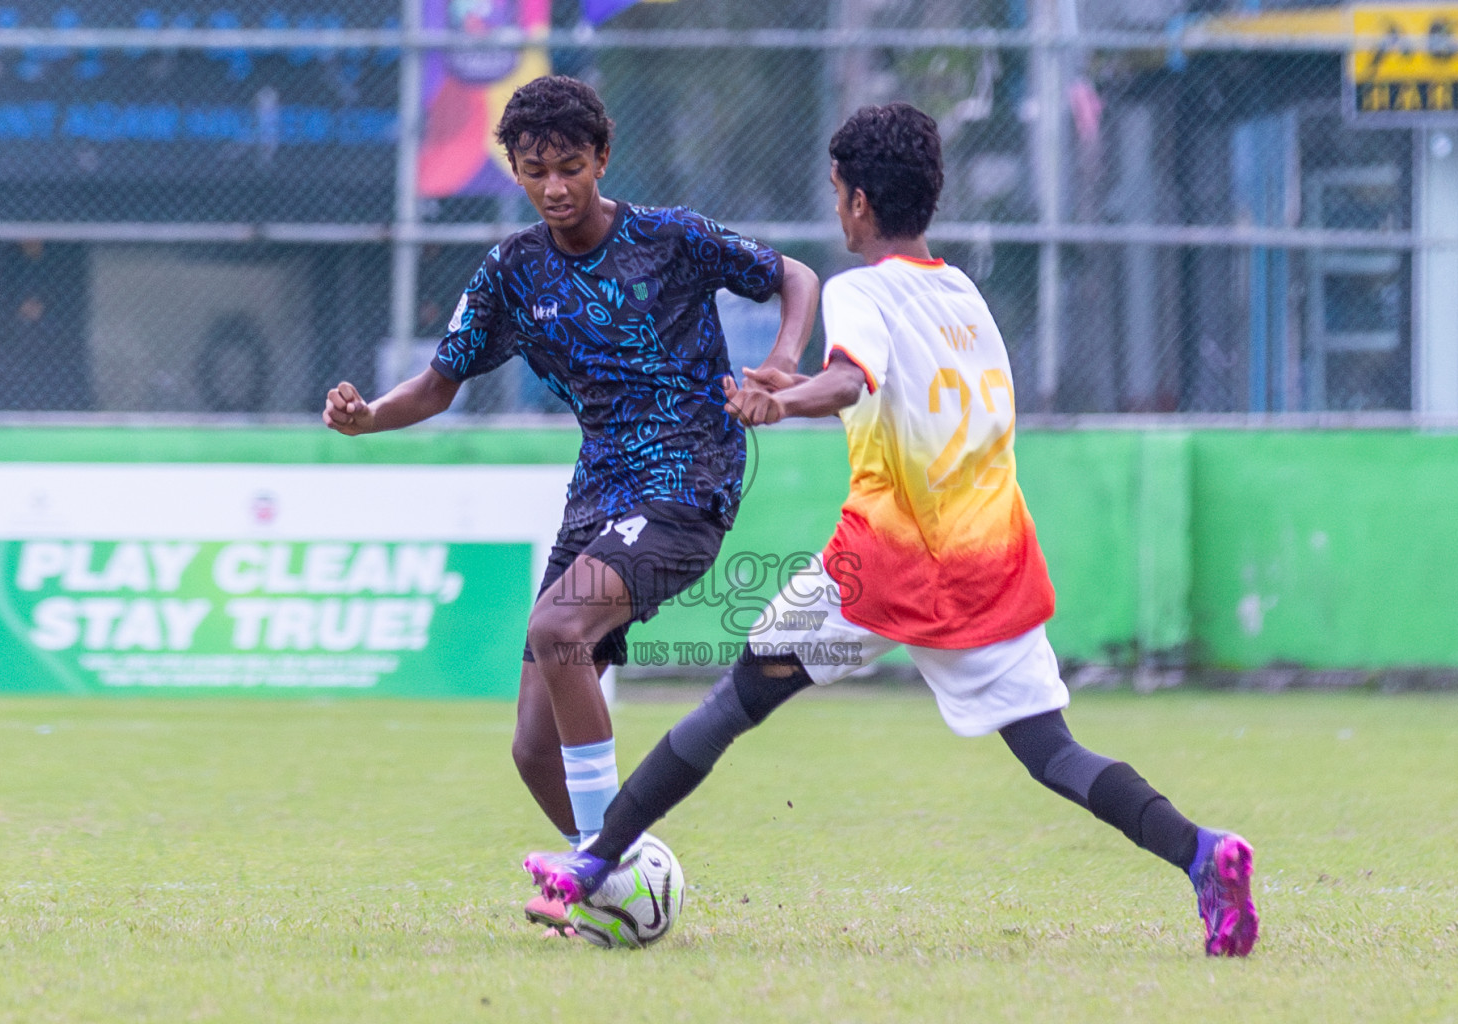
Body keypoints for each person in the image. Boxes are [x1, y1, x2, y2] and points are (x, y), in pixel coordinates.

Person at [524, 102, 1258, 958]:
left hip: (881, 570)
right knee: (1052, 752)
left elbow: (845, 381)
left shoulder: (859, 289)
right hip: (992, 566)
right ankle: (1204, 853)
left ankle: (591, 864)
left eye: (838, 192)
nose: (837, 207)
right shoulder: (962, 295)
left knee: (732, 706)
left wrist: (777, 399)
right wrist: (793, 386)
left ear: (858, 203)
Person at [323, 75, 820, 936]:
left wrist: (781, 361)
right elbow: (440, 383)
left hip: (686, 486)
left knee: (561, 630)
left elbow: (794, 275)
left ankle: (595, 866)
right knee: (530, 748)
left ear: (601, 158)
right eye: (534, 170)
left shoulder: (668, 239)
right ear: (514, 170)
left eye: (569, 167)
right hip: (597, 500)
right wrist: (369, 418)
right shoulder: (513, 270)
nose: (554, 187)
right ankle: (623, 878)